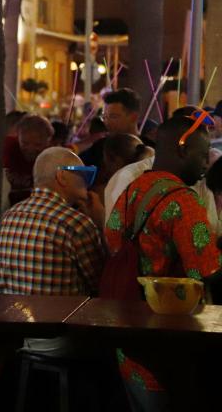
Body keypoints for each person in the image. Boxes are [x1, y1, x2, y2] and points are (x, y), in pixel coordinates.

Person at [105, 113, 222, 410]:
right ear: (182, 149)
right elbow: (207, 269)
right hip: (167, 341)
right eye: (202, 155)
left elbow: (112, 240)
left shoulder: (131, 190)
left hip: (127, 333)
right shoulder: (184, 201)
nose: (206, 164)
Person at [0, 147, 106, 296]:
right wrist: (101, 223)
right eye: (83, 174)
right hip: (62, 311)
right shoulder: (75, 223)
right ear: (62, 176)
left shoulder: (9, 217)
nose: (87, 181)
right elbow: (103, 283)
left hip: (12, 310)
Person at [80, 88, 141, 168]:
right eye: (104, 117)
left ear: (133, 117)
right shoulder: (100, 146)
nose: (107, 122)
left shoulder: (147, 148)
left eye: (113, 117)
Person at [2, 114, 54, 207]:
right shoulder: (6, 146)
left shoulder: (53, 158)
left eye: (37, 144)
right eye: (25, 143)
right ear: (18, 136)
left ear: (48, 142)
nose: (30, 149)